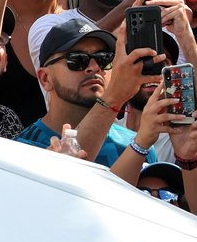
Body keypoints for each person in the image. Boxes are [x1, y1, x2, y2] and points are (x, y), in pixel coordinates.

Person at [18, 17, 159, 166]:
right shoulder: (22, 149)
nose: (94, 67)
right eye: (78, 59)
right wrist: (113, 98)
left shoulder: (137, 146)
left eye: (104, 59)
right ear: (45, 78)